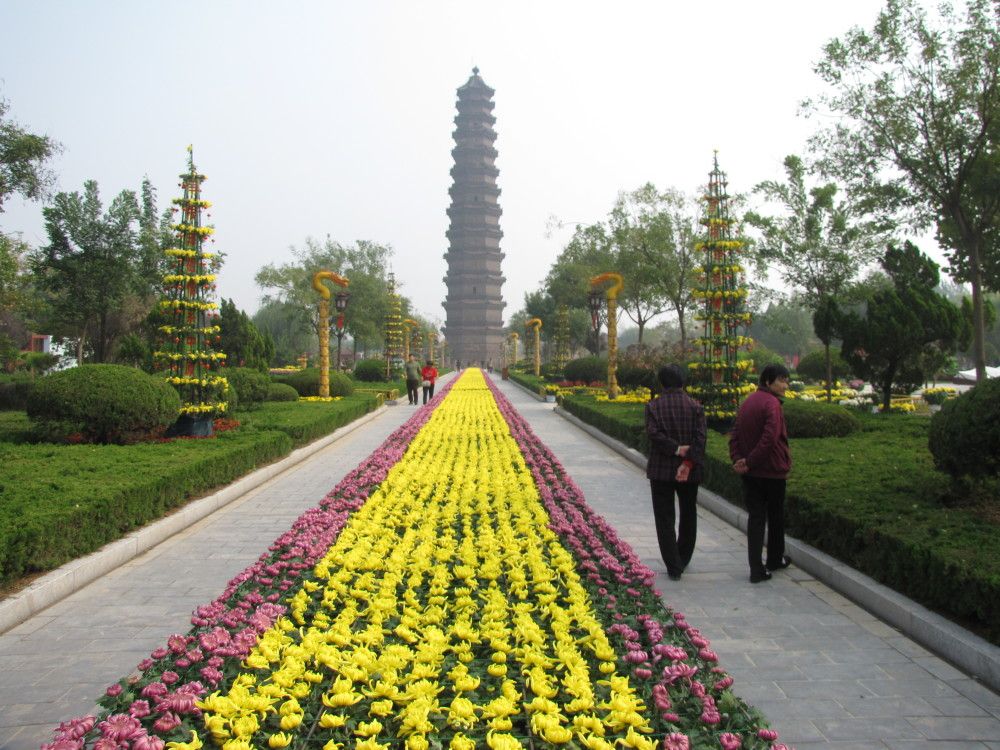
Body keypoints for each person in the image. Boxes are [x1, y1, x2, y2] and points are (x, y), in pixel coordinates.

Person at [729, 363, 793, 583]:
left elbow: (735, 433)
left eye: (786, 381)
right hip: (771, 471)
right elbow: (770, 439)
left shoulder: (748, 402)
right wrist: (750, 461)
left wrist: (739, 459)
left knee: (756, 518)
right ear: (768, 381)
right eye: (782, 380)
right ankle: (774, 559)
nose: (785, 385)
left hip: (751, 473)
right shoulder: (772, 404)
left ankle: (757, 567)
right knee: (775, 517)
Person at [644, 364, 707, 581]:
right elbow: (700, 440)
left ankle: (673, 565)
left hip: (661, 470)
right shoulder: (695, 406)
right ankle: (683, 557)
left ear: (661, 383)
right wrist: (687, 462)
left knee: (664, 517)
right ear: (683, 382)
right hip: (689, 472)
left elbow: (653, 434)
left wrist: (674, 448)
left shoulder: (654, 406)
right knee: (688, 514)